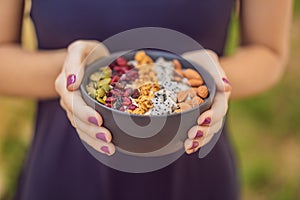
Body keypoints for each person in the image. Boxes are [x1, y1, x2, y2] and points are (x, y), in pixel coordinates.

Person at [0, 0, 292, 199]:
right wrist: (71, 71)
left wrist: (212, 78)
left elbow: (269, 52)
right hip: (66, 169)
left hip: (192, 160)